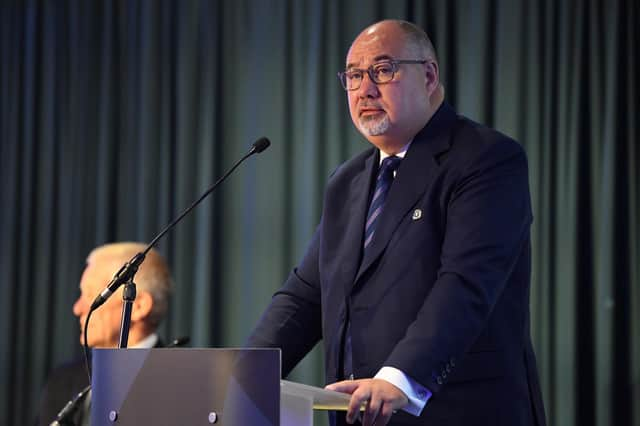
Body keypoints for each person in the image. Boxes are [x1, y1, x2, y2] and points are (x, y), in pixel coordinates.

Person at [248, 19, 547, 426]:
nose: (365, 88)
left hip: (460, 411)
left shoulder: (485, 158)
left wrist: (398, 378)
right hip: (360, 415)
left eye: (383, 70)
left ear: (428, 76)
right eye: (354, 76)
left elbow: (466, 282)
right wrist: (241, 374)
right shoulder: (348, 181)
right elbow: (305, 296)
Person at [36, 242, 173, 426]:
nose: (77, 308)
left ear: (139, 306)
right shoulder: (61, 381)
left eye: (91, 294)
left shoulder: (180, 384)